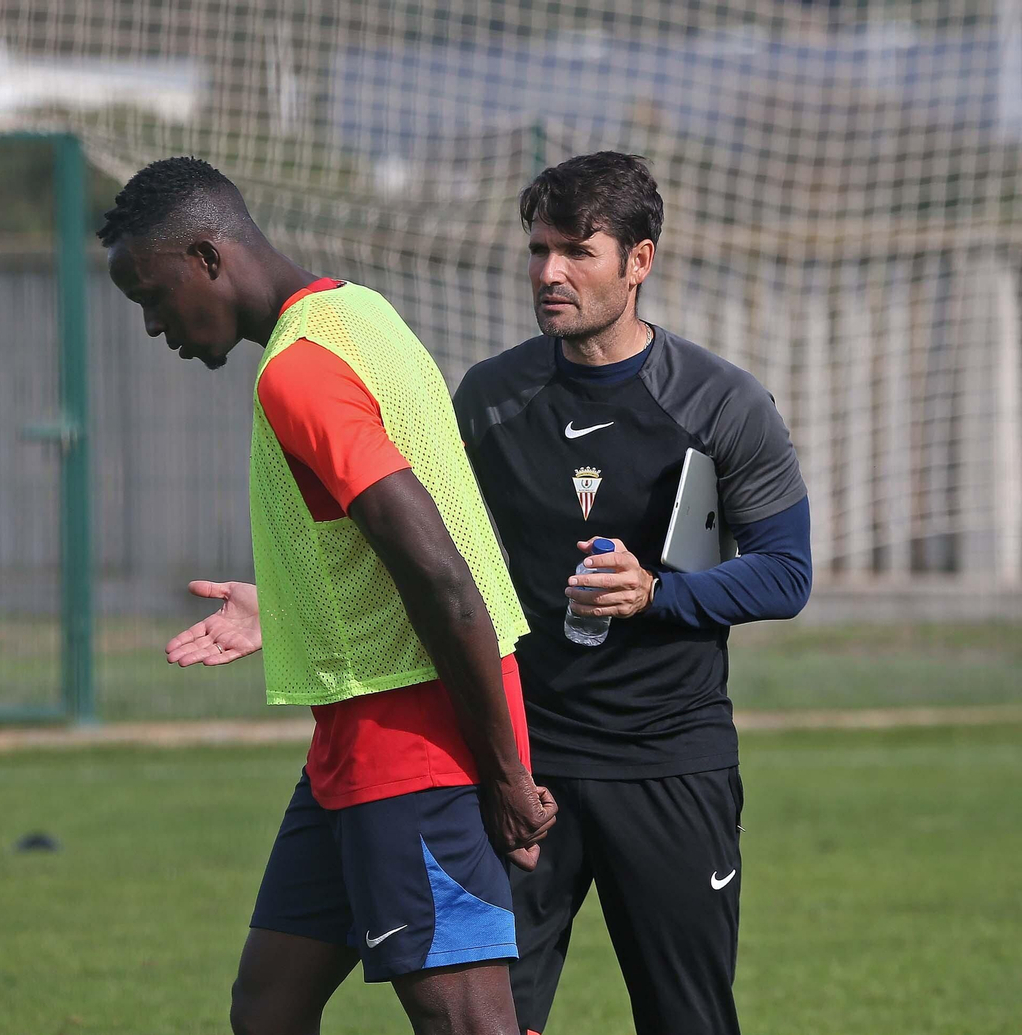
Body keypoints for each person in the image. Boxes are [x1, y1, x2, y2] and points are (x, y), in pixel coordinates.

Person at [98, 156, 557, 1035]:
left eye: (152, 296)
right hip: (353, 738)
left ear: (206, 255)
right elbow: (374, 551)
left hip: (416, 740)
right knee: (268, 1005)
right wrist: (286, 605)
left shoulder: (299, 371)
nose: (154, 325)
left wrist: (504, 774)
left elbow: (439, 571)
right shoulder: (358, 311)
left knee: (470, 1024)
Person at [453, 151, 813, 1035]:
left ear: (639, 262)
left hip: (669, 760)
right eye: (538, 250)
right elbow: (432, 561)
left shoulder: (721, 402)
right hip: (522, 765)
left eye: (577, 251)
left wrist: (658, 593)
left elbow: (786, 572)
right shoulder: (490, 399)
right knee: (480, 1022)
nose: (549, 273)